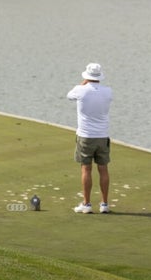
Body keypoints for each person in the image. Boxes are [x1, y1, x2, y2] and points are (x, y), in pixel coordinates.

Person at [67, 62, 113, 214]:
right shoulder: (108, 91)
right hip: (102, 136)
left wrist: (83, 83)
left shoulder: (81, 90)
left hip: (86, 136)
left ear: (87, 76)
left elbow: (69, 96)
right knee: (103, 169)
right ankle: (104, 204)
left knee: (86, 169)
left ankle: (87, 205)